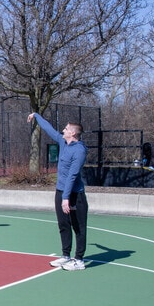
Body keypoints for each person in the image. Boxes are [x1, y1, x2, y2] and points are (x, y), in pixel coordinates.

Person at [27, 113, 89, 271]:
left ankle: (79, 260)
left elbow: (72, 176)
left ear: (73, 133)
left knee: (78, 227)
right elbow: (49, 129)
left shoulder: (79, 151)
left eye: (66, 128)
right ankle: (66, 255)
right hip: (61, 191)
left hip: (75, 195)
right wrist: (36, 116)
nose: (63, 130)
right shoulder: (63, 142)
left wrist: (66, 198)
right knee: (63, 224)